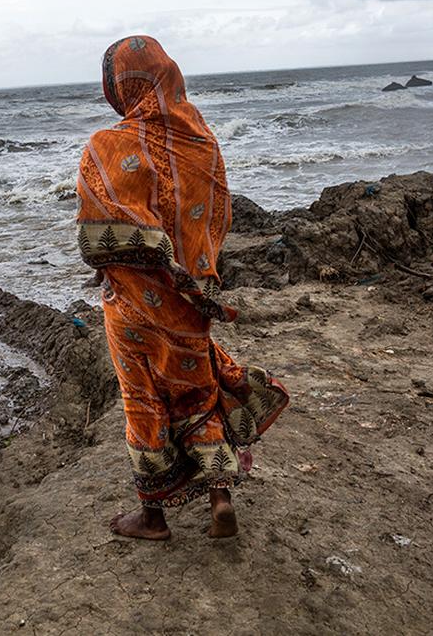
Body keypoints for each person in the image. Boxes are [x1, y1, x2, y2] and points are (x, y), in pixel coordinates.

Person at [75, 35, 290, 540]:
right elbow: (218, 217)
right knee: (197, 389)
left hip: (131, 303)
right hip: (192, 297)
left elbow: (95, 236)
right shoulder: (203, 143)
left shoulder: (107, 146)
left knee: (143, 397)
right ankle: (219, 496)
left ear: (119, 86)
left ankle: (152, 517)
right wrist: (193, 271)